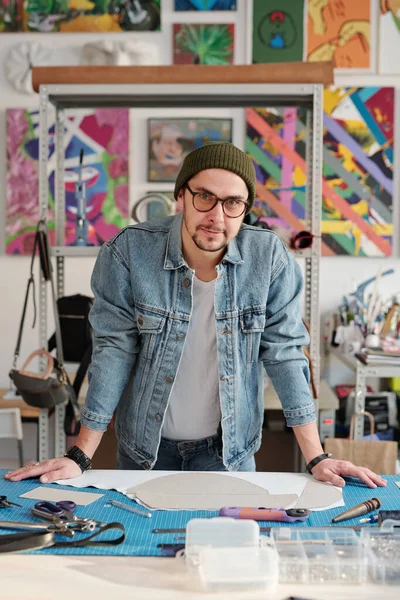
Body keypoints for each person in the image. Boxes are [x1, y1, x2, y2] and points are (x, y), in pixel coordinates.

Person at [5, 142, 386, 490]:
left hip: (227, 454)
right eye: (204, 196)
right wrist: (81, 455)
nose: (217, 216)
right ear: (181, 197)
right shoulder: (128, 254)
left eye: (233, 203)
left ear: (245, 209)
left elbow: (285, 353)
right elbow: (113, 352)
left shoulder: (269, 259)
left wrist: (316, 457)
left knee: (225, 557)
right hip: (144, 452)